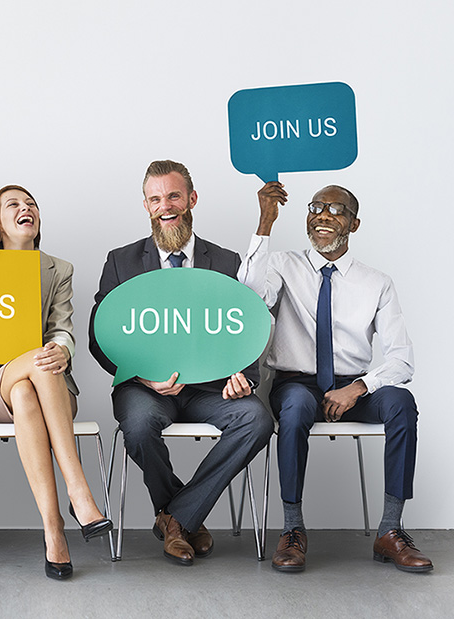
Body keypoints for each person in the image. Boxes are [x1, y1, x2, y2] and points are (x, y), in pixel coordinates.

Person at [89, 160, 273, 566]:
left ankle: (176, 519)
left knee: (257, 419)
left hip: (211, 390)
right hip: (146, 389)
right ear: (146, 205)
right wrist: (143, 377)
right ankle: (184, 517)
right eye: (155, 199)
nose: (165, 206)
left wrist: (241, 376)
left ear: (191, 199)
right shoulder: (121, 261)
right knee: (137, 425)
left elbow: (245, 328)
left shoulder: (226, 262)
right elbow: (100, 338)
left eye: (173, 195)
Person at [240, 182, 431, 573]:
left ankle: (390, 530)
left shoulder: (377, 282)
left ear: (354, 224)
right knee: (293, 408)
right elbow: (248, 296)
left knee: (401, 403)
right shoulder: (281, 264)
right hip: (297, 383)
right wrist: (265, 222)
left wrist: (359, 388)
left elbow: (402, 360)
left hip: (353, 386)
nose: (323, 215)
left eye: (336, 209)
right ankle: (293, 530)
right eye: (316, 207)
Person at [0, 185, 111, 580]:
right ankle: (79, 491)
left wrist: (62, 349)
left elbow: (62, 330)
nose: (26, 209)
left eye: (31, 204)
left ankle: (54, 530)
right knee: (33, 370)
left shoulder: (58, 269)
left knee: (32, 381)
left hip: (48, 388)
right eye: (14, 205)